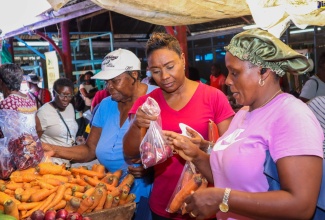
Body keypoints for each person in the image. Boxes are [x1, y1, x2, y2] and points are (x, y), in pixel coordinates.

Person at [163, 28, 324, 220]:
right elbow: (228, 175)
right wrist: (196, 155)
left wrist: (223, 198)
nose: (228, 81)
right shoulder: (244, 113)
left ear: (264, 72)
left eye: (234, 73)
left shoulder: (291, 115)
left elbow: (301, 206)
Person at [123, 32, 234, 219]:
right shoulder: (147, 104)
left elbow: (231, 152)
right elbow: (131, 153)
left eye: (170, 67)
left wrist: (203, 146)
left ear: (182, 59)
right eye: (156, 71)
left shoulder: (213, 97)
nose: (164, 76)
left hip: (207, 204)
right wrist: (137, 124)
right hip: (162, 204)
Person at [41, 48, 157, 219]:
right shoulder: (105, 105)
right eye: (106, 81)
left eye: (115, 81)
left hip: (149, 194)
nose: (108, 87)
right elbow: (90, 149)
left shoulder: (156, 98)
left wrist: (153, 167)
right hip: (112, 194)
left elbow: (174, 146)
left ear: (134, 75)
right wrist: (52, 149)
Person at [35, 78, 83, 167]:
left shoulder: (70, 107)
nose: (66, 99)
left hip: (67, 163)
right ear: (54, 93)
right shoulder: (43, 112)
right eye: (62, 95)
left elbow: (66, 132)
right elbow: (36, 142)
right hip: (51, 165)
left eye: (69, 95)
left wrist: (76, 141)